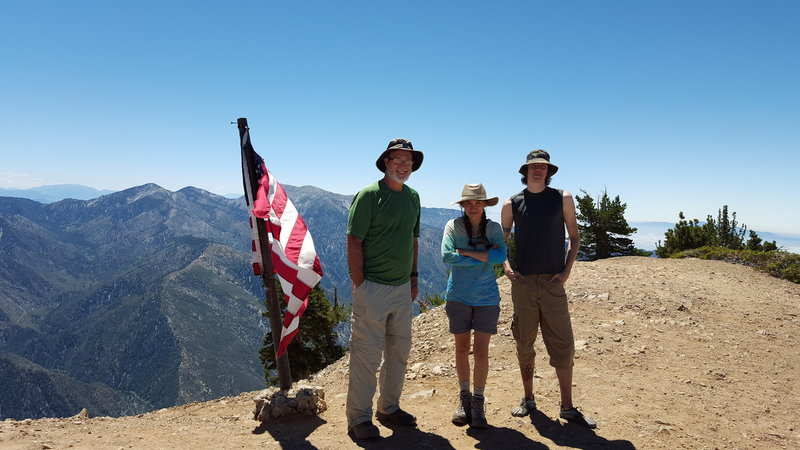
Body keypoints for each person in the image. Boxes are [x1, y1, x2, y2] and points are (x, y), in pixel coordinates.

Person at [500, 149, 596, 428]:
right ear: (525, 171)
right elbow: (501, 241)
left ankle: (567, 406)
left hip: (553, 282)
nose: (537, 170)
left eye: (542, 167)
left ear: (549, 171)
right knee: (524, 342)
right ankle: (528, 399)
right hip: (524, 283)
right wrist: (506, 267)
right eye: (533, 167)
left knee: (563, 345)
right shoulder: (512, 203)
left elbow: (574, 238)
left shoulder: (562, 198)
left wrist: (567, 270)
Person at [345, 138, 423, 440]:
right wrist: (359, 284)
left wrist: (414, 277)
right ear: (386, 163)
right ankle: (359, 418)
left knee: (398, 351)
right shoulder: (368, 196)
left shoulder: (413, 197)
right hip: (373, 288)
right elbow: (354, 241)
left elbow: (413, 240)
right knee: (366, 355)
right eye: (397, 160)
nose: (403, 166)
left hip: (403, 288)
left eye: (408, 161)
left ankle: (388, 407)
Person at [441, 183, 507, 429]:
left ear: (485, 205)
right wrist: (484, 255)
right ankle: (464, 398)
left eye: (477, 202)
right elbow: (447, 256)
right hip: (458, 296)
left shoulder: (494, 228)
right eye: (468, 203)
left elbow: (502, 257)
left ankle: (477, 400)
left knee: (480, 352)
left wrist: (467, 254)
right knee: (461, 350)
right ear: (462, 205)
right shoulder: (453, 226)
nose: (472, 207)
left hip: (486, 299)